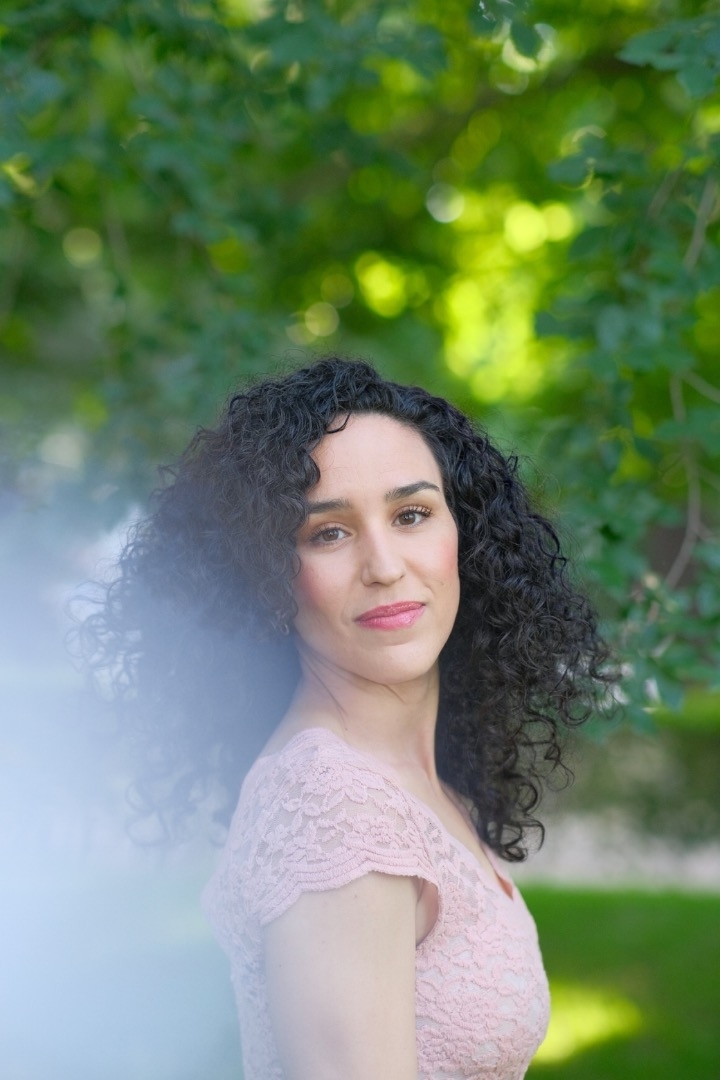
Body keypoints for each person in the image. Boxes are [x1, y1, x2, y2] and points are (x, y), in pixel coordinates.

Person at [81, 357, 611, 1080]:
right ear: (262, 575)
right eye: (328, 533)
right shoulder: (335, 807)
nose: (384, 565)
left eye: (412, 515)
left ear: (469, 535)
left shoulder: (407, 779)